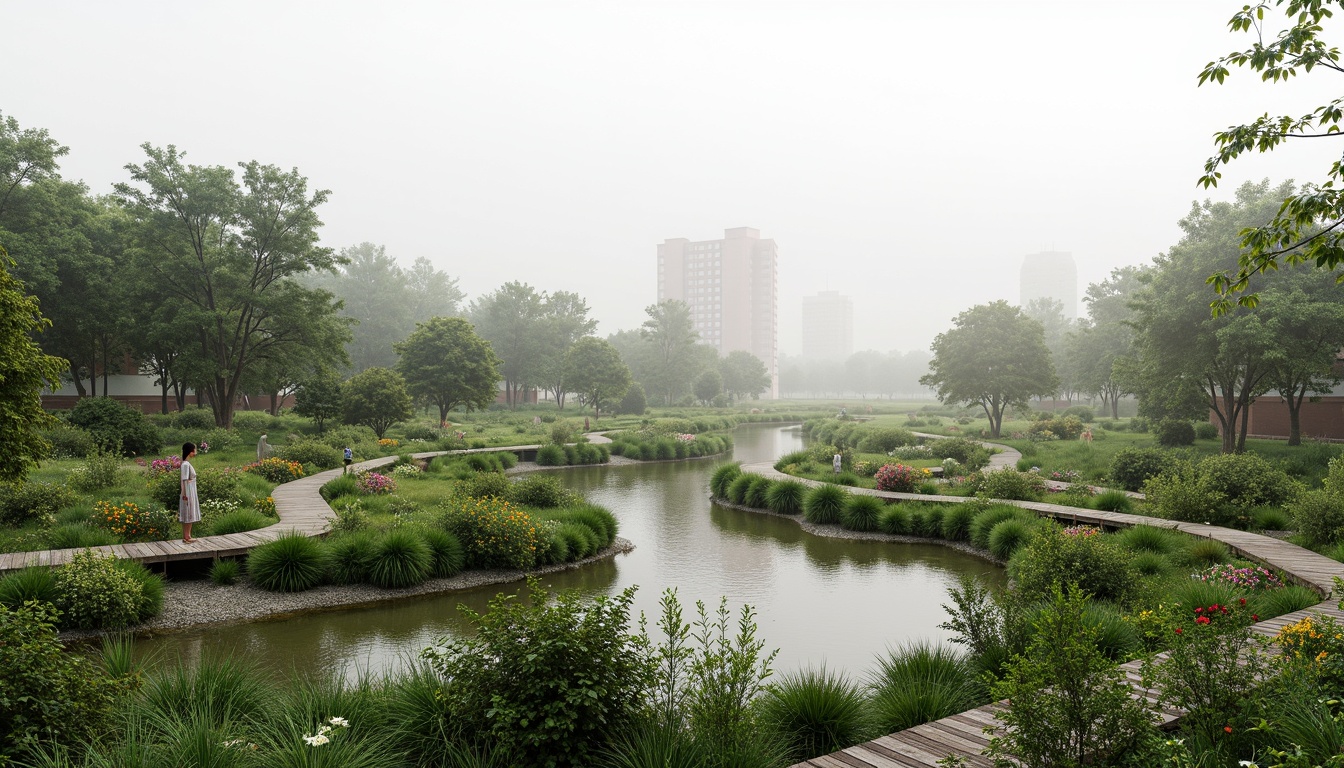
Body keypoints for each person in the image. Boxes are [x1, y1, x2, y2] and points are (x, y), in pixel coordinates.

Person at [179, 442, 200, 543]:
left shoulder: (186, 464)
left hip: (189, 490)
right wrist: (185, 494)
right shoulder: (186, 465)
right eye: (194, 450)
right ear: (190, 451)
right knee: (189, 512)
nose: (195, 452)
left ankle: (187, 535)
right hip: (188, 491)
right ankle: (187, 536)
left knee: (189, 512)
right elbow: (184, 480)